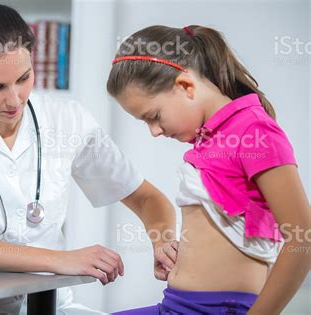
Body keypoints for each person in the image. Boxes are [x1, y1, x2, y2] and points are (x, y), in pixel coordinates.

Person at [0, 4, 179, 314]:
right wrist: (62, 260)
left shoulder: (66, 120)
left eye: (24, 78)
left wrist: (162, 240)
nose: (14, 99)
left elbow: (148, 198)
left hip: (50, 305)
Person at [107, 25, 310, 314]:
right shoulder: (209, 142)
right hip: (175, 305)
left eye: (153, 117)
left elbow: (304, 236)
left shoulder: (255, 131)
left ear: (186, 86)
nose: (153, 131)